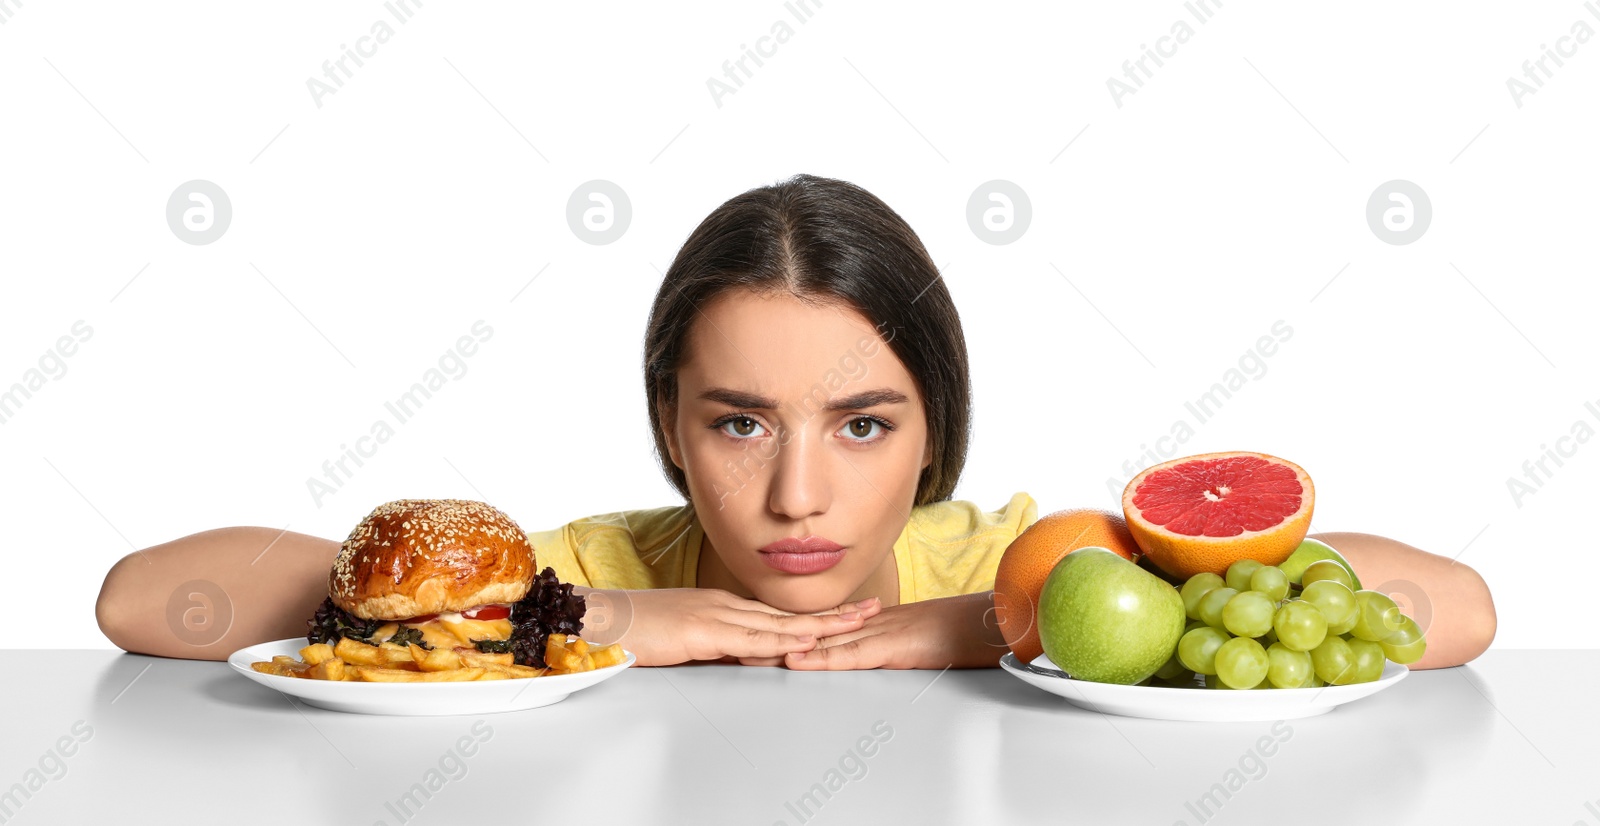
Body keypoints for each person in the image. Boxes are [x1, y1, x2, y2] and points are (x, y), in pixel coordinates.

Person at [95, 174, 1496, 672]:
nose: (800, 497)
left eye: (867, 424)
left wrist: (1008, 631)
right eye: (743, 424)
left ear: (938, 428)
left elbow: (1457, 609)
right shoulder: (587, 569)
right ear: (669, 425)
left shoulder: (1021, 565)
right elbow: (141, 601)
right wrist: (577, 624)